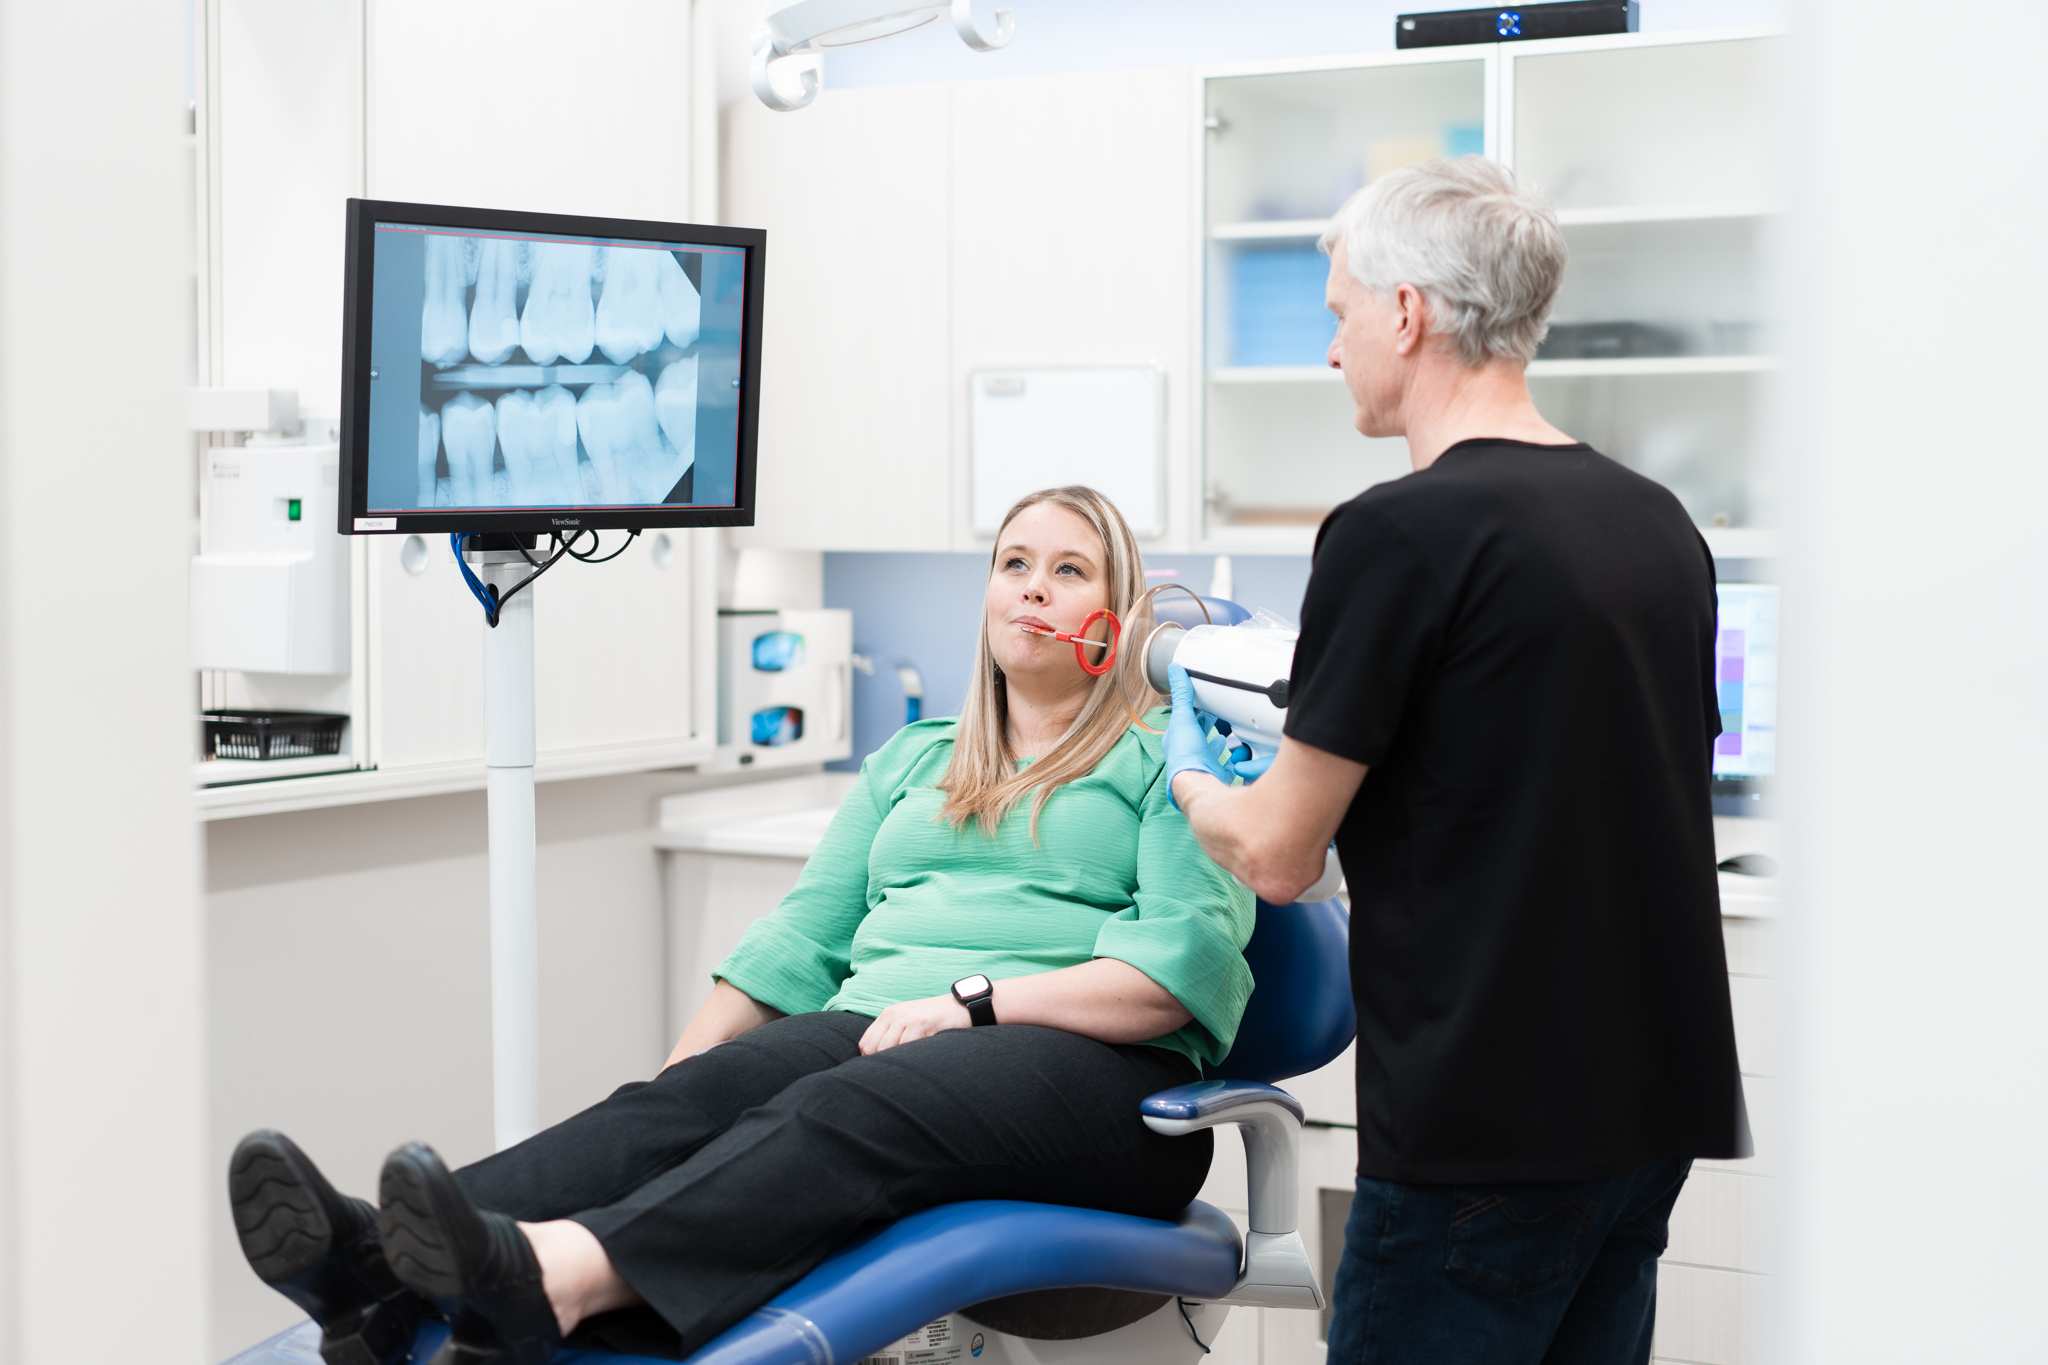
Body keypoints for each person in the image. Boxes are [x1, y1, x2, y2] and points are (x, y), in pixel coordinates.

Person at [229, 485, 1254, 1365]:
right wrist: (682, 1073)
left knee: (855, 1105)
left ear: (1113, 619)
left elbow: (1179, 965)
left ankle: (561, 1281)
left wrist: (974, 1005)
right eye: (1013, 561)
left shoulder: (1169, 759)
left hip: (1101, 1084)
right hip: (898, 1033)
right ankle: (379, 1269)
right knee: (685, 1102)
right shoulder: (913, 758)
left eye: (1068, 569)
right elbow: (803, 934)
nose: (1031, 585)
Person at [1164, 158, 1747, 1364]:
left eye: (1336, 314)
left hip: (1488, 1126)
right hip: (1653, 1112)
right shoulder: (1657, 522)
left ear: (1406, 313)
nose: (1332, 352)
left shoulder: (1395, 530)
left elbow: (1277, 854)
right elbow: (1544, 775)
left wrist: (1194, 777)